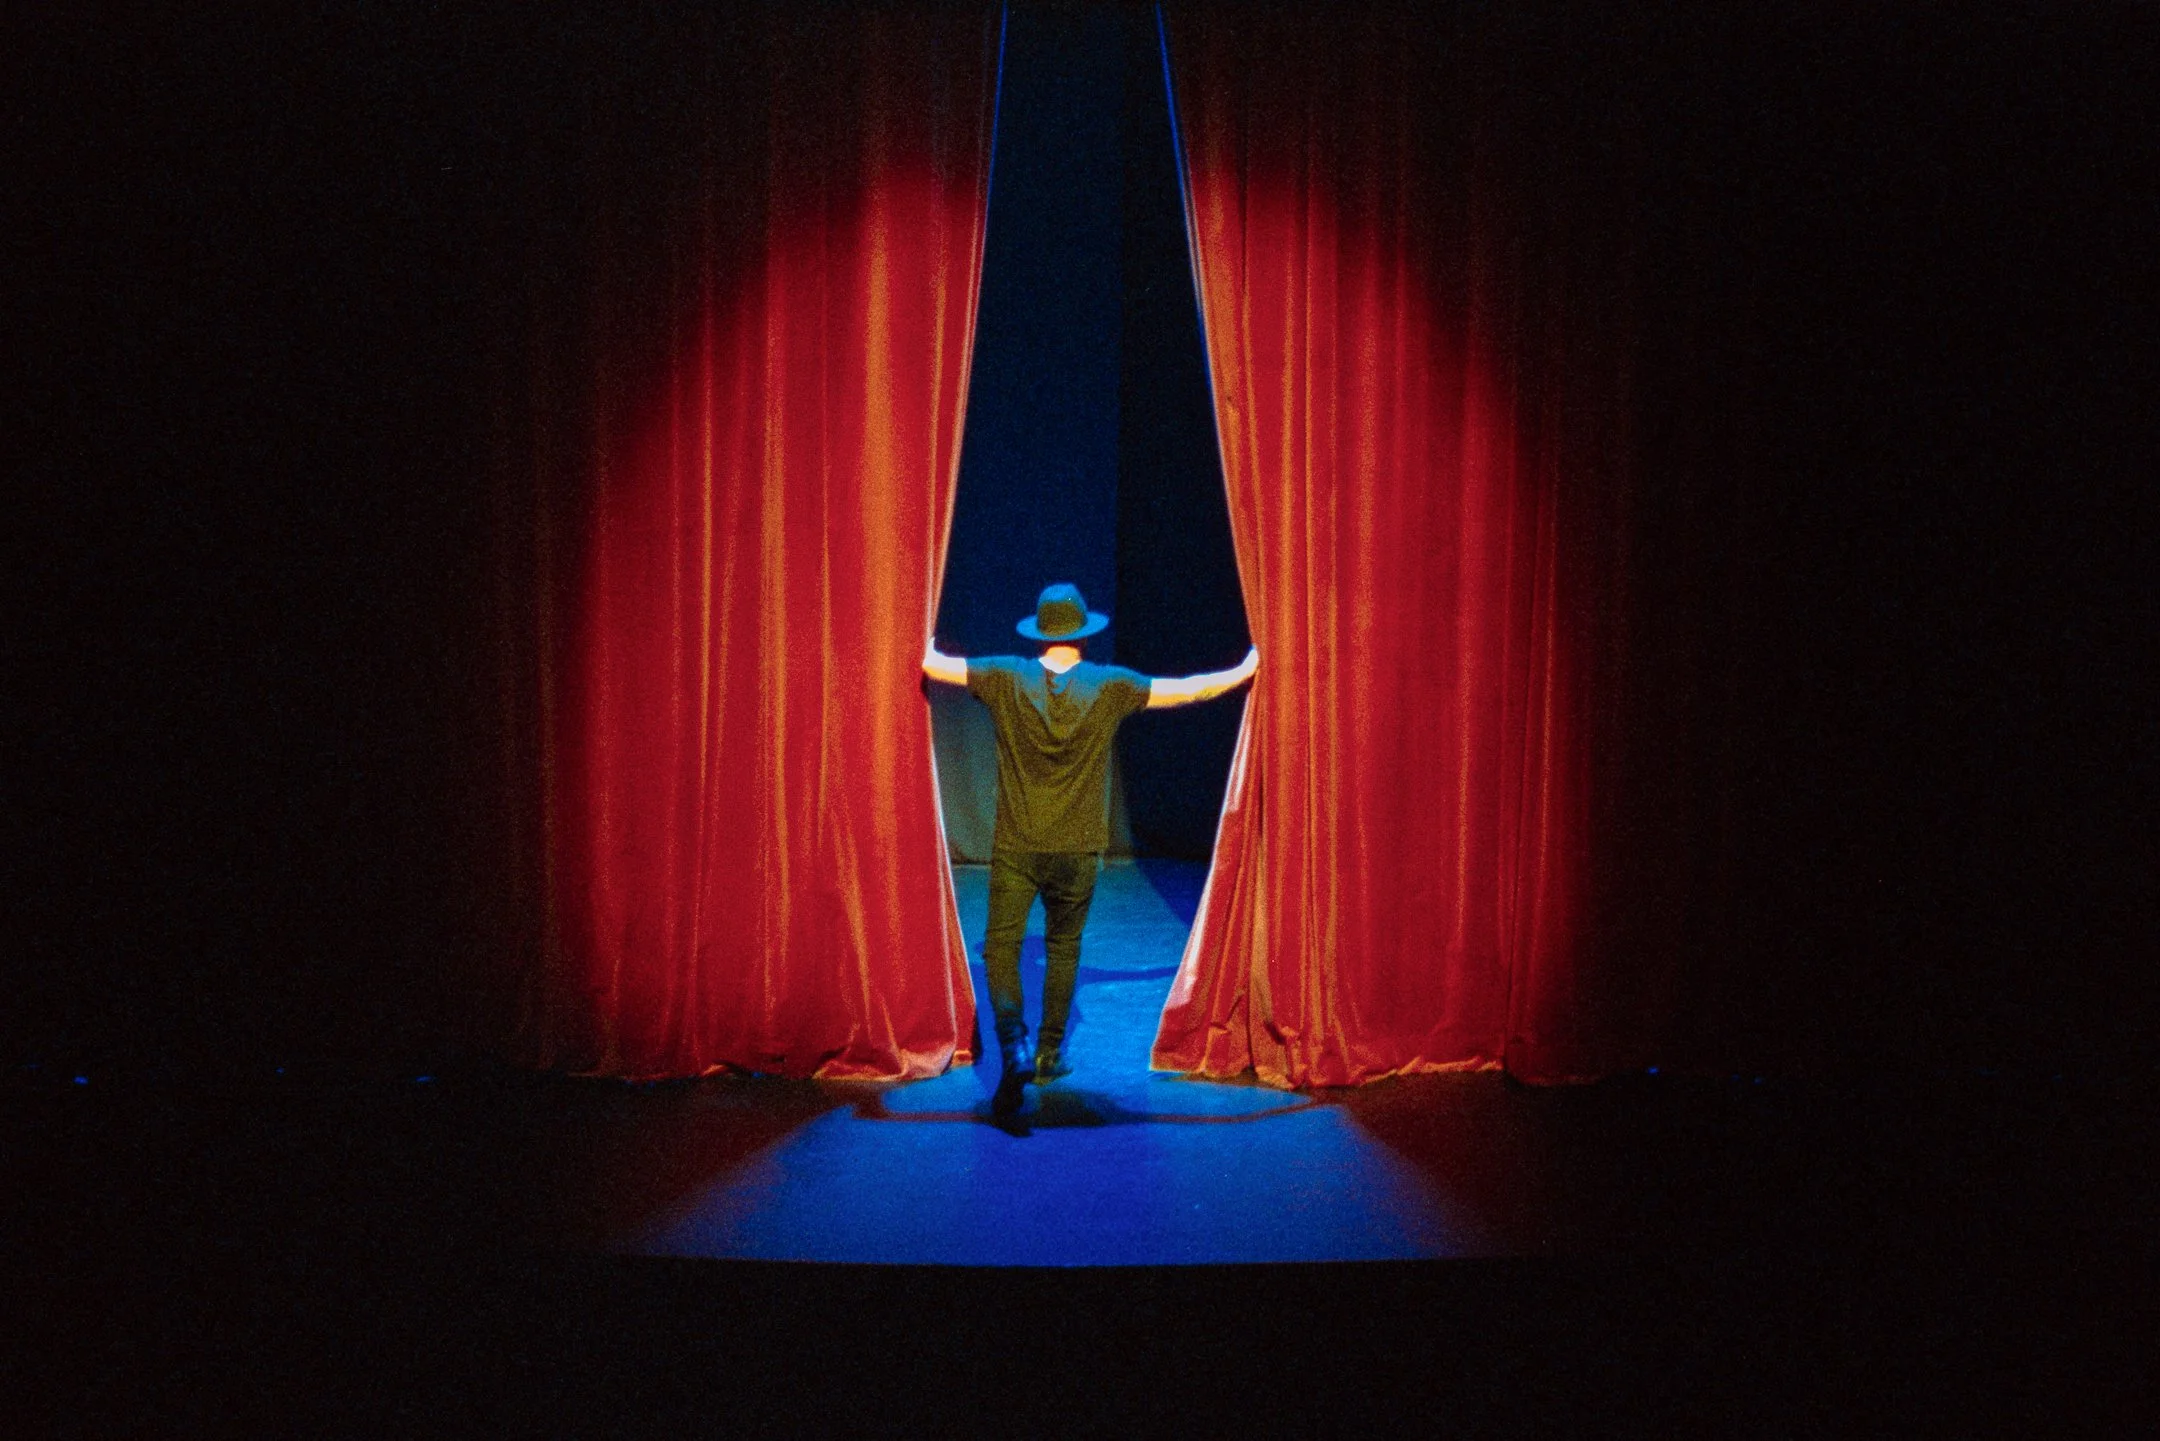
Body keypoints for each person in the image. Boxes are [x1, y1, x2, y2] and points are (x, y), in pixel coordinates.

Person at [924, 582, 1258, 1114]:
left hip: (1017, 843)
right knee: (1062, 947)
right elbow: (1189, 690)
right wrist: (1243, 671)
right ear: (1082, 634)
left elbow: (935, 666)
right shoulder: (1109, 686)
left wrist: (910, 622)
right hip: (1078, 849)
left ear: (1039, 634)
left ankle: (1014, 1043)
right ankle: (1050, 1053)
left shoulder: (1007, 676)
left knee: (1002, 949)